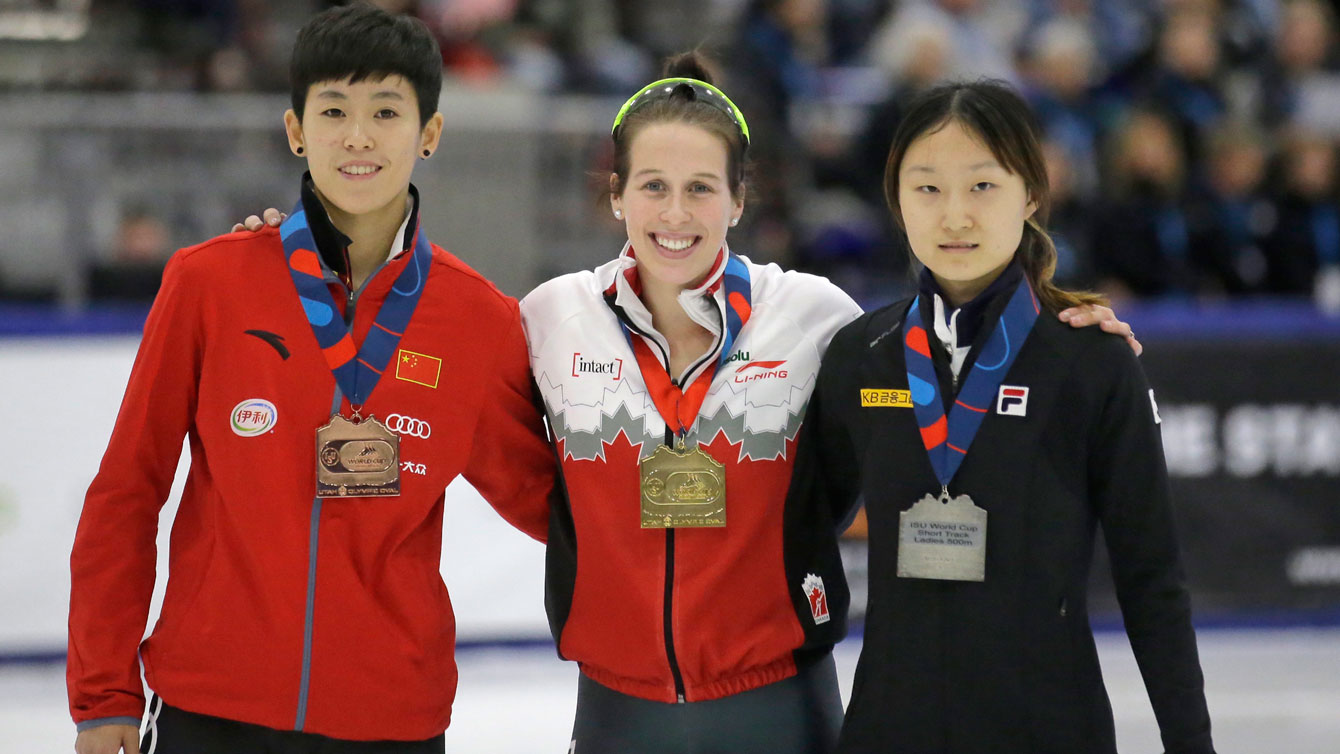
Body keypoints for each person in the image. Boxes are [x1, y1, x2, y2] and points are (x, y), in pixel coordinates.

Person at [238, 54, 1140, 754]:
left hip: (778, 704)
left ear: (740, 199)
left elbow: (936, 369)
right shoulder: (551, 317)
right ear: (616, 196)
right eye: (654, 187)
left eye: (702, 188)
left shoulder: (815, 317)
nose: (677, 212)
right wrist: (289, 257)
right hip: (616, 709)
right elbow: (492, 435)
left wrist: (1060, 312)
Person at [67, 5, 557, 754]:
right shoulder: (210, 283)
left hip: (390, 718)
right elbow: (127, 492)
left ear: (429, 134)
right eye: (333, 110)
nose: (357, 136)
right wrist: (104, 697)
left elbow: (554, 503)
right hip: (211, 709)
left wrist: (696, 500)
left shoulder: (478, 320)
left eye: (386, 111)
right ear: (296, 129)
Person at [789, 80, 1215, 753]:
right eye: (927, 187)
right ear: (897, 202)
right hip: (889, 731)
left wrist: (1191, 744)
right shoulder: (859, 357)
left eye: (982, 186)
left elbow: (1152, 580)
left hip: (1048, 729)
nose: (954, 215)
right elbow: (801, 531)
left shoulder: (1092, 364)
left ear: (1033, 195)